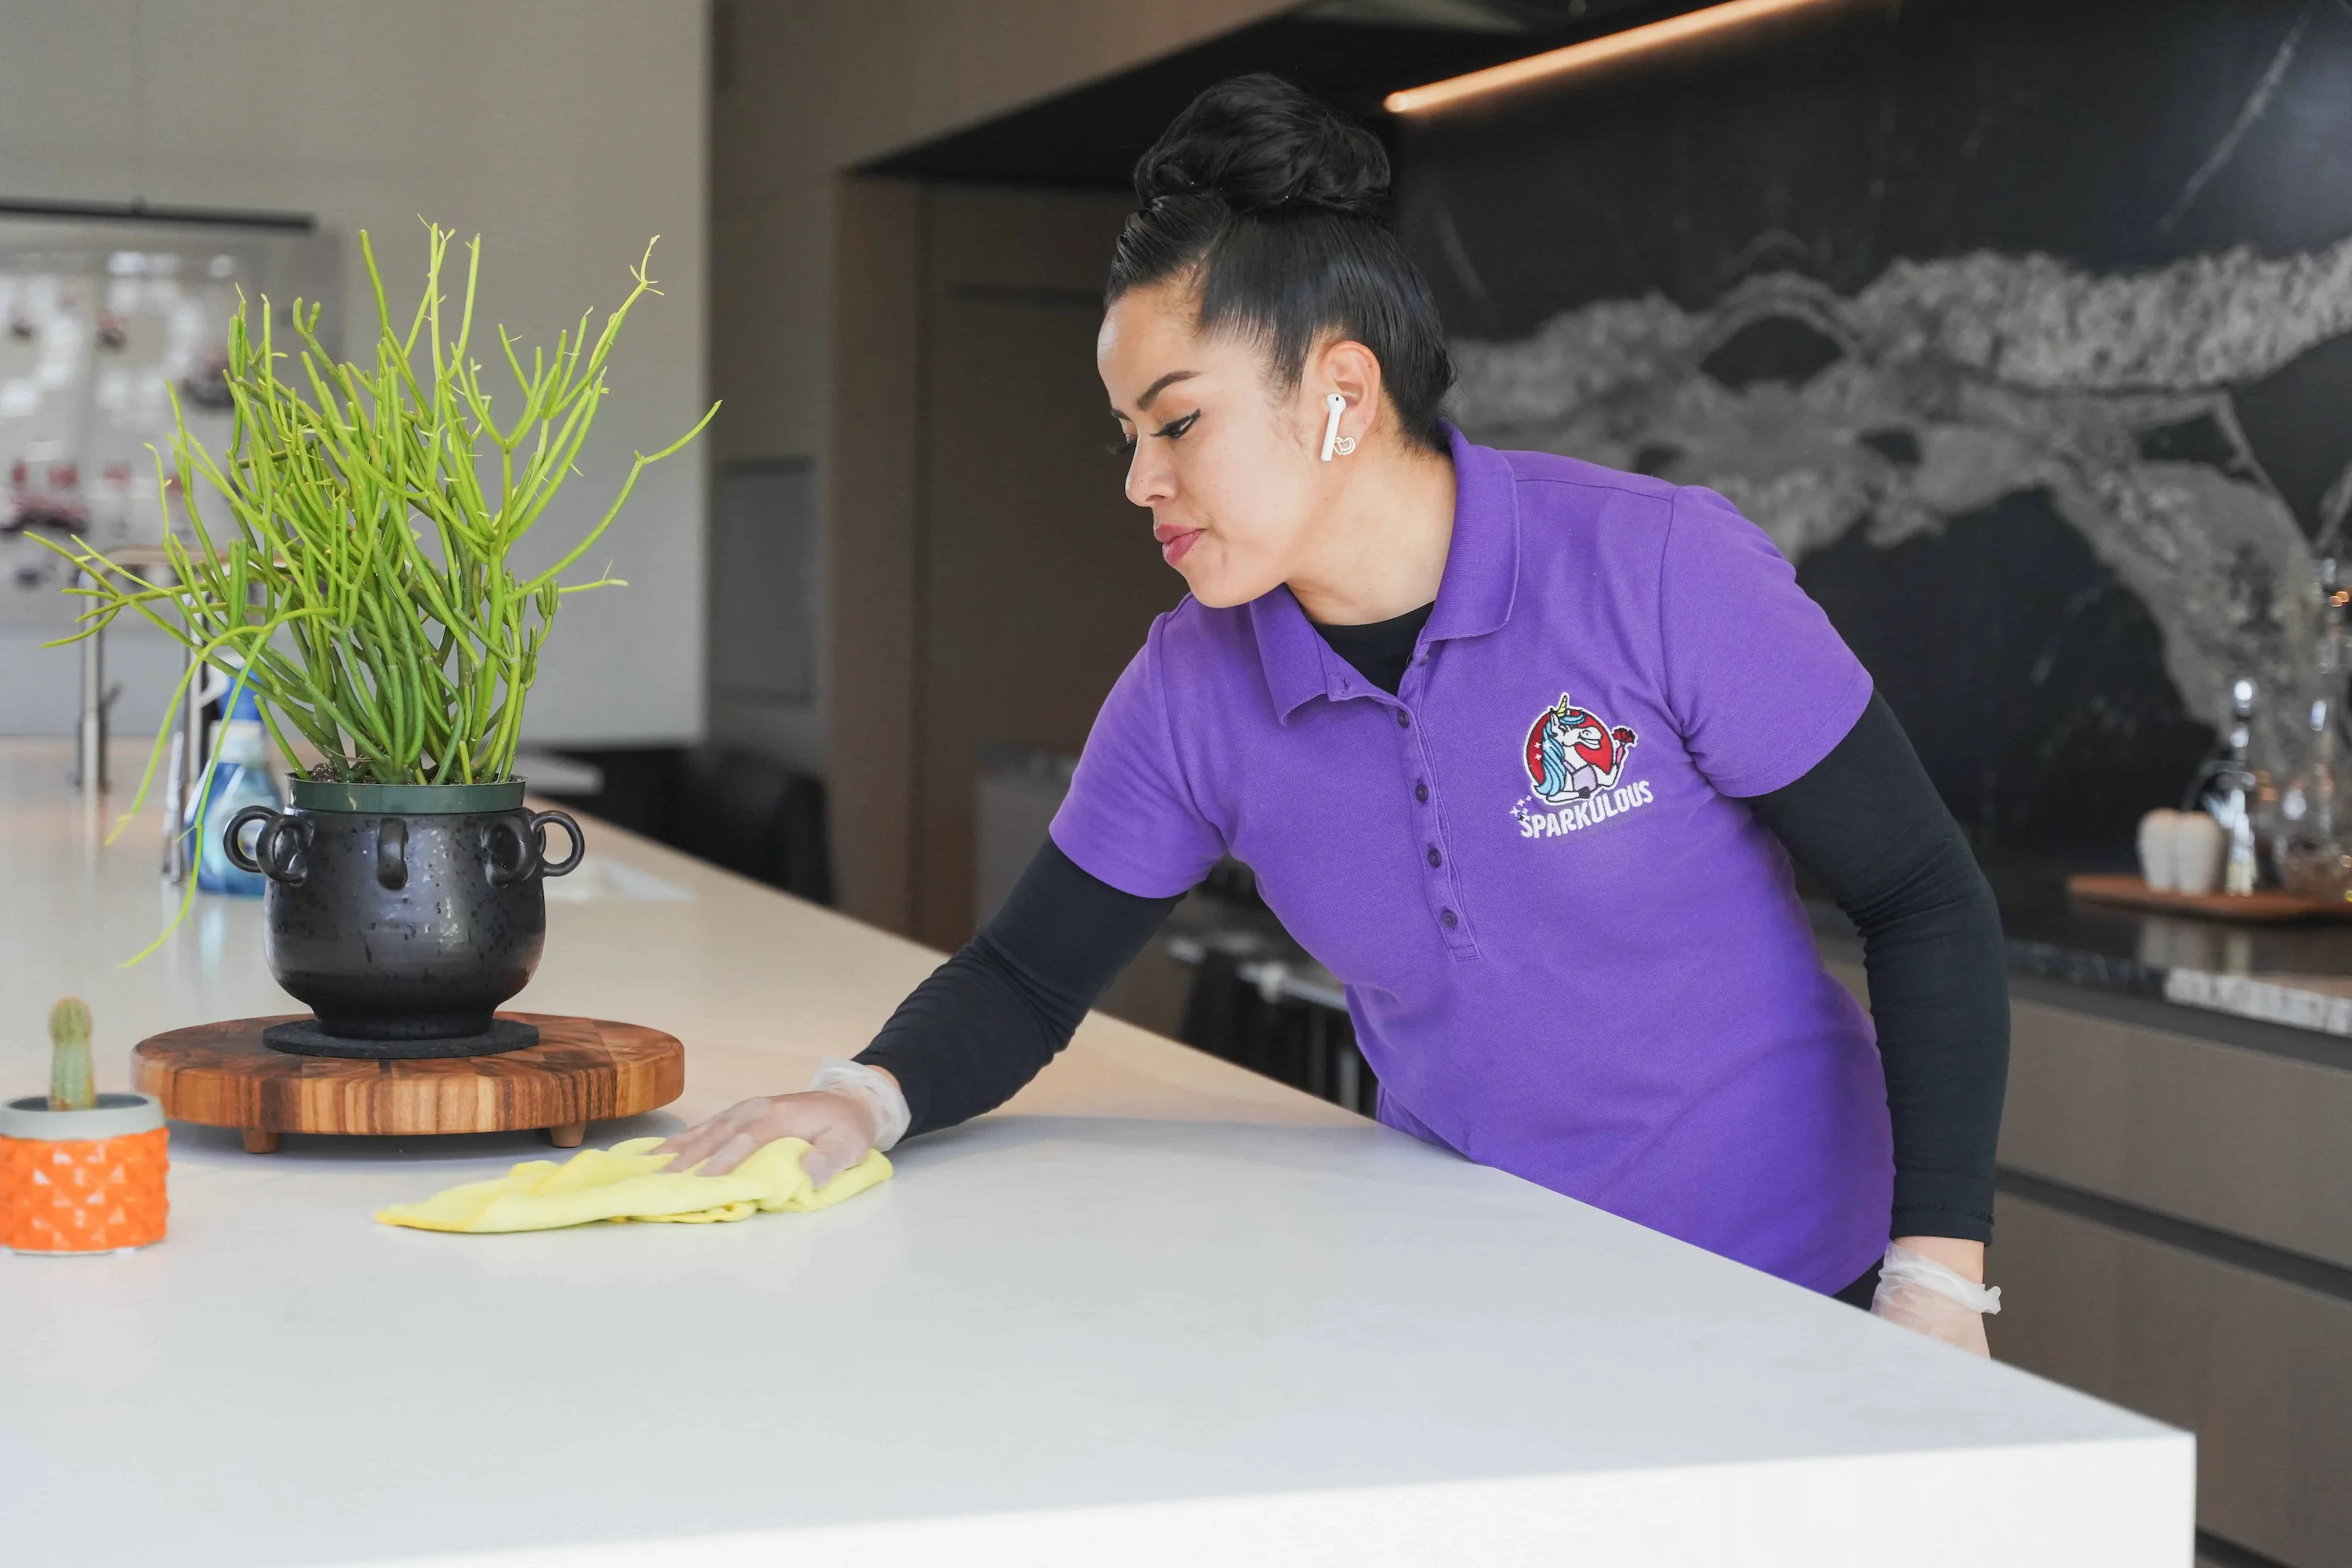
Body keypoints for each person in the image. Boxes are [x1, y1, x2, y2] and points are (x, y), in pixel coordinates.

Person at [662, 75, 2009, 1353]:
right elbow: (1023, 980)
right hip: (1482, 1300)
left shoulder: (1655, 570)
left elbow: (1919, 893)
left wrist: (1935, 1276)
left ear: (1341, 399)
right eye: (1126, 432)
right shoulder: (1194, 687)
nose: (1141, 479)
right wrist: (859, 1097)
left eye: (1177, 423)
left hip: (1798, 1289)